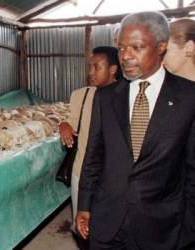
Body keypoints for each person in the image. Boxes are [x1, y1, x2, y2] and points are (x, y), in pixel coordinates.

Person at [76, 11, 195, 250]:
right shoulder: (106, 97)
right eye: (121, 48)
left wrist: (189, 229)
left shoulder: (188, 97)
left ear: (161, 47)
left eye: (136, 47)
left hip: (162, 228)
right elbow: (94, 155)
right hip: (107, 222)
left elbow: (192, 169)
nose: (125, 56)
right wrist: (84, 206)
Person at [59, 46, 122, 249]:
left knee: (111, 228)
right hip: (83, 172)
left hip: (114, 176)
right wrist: (63, 124)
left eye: (97, 67)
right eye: (90, 67)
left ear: (113, 69)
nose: (91, 72)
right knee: (83, 226)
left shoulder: (126, 96)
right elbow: (72, 121)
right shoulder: (81, 95)